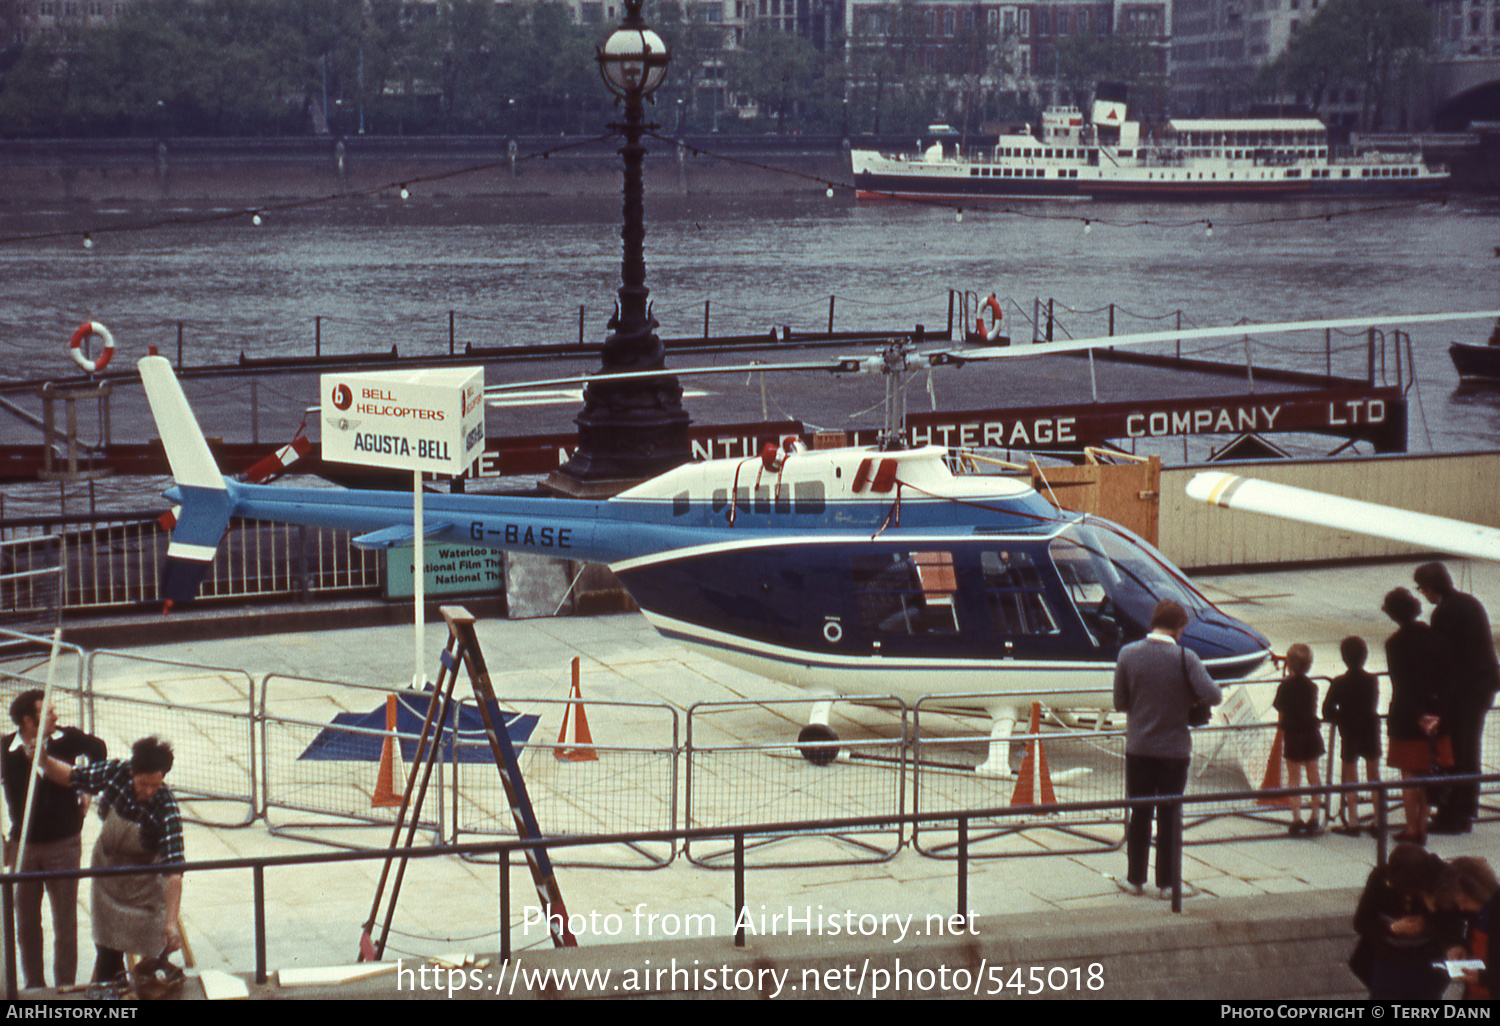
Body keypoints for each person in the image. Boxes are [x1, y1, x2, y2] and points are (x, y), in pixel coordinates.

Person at [39, 736, 184, 983]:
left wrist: (170, 923)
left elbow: (175, 872)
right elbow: (73, 777)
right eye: (143, 784)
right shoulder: (117, 772)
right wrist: (41, 760)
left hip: (143, 886)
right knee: (108, 955)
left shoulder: (166, 807)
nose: (148, 791)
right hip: (107, 880)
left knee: (155, 957)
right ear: (132, 771)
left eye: (156, 785)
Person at [1113, 597, 1222, 899]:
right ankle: (1167, 884)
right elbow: (1213, 695)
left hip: (1139, 748)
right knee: (1170, 816)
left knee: (1139, 813)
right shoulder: (1186, 658)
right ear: (1178, 627)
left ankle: (1135, 879)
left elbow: (1120, 702)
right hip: (1174, 751)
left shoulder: (1128, 654)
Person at [0, 690, 107, 990]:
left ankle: (64, 985)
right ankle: (34, 984)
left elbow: (98, 749)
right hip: (24, 845)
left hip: (64, 843)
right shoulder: (5, 749)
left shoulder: (66, 740)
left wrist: (88, 790)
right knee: (25, 923)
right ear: (27, 720)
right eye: (47, 712)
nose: (55, 716)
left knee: (65, 920)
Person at [1413, 562, 1499, 835]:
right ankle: (1466, 808)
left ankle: (1455, 814)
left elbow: (1444, 659)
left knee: (1459, 751)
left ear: (1428, 588)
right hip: (1483, 685)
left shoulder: (1444, 613)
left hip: (1465, 691)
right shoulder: (1470, 603)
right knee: (1469, 749)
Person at [1381, 587, 1453, 846]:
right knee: (1427, 772)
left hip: (1407, 718)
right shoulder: (1437, 639)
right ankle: (1422, 824)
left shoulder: (1394, 644)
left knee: (1410, 776)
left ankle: (1412, 827)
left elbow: (1402, 685)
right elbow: (1447, 680)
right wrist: (1436, 715)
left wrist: (1417, 716)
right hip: (1438, 716)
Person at [1351, 843, 1452, 999]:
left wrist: (1434, 911)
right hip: (1388, 961)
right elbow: (1361, 922)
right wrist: (1393, 927)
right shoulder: (1380, 877)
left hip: (1427, 961)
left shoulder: (1441, 877)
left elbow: (1456, 922)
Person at [1321, 636, 1382, 836]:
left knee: (1351, 777)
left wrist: (1342, 717)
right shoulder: (1372, 680)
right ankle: (1379, 819)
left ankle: (1353, 821)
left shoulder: (1339, 682)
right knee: (1374, 776)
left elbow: (1327, 710)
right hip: (1371, 728)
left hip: (1350, 730)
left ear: (1344, 658)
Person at [1273, 644, 1325, 836]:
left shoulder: (1285, 685)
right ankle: (1315, 817)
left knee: (1294, 778)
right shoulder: (1312, 686)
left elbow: (1278, 705)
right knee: (1314, 775)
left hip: (1293, 734)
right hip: (1311, 733)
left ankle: (1297, 818)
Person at [1436, 856, 1498, 1000]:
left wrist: (1484, 978)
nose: (1462, 908)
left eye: (1464, 901)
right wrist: (1461, 946)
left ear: (1477, 892)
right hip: (1475, 990)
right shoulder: (1479, 909)